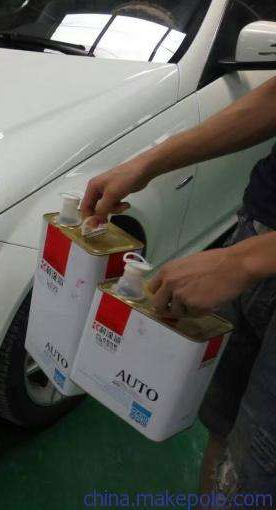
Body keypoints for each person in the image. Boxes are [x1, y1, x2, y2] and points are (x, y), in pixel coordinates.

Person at [81, 76, 276, 497]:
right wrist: (147, 164)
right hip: (258, 226)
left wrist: (245, 260)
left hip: (254, 257)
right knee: (223, 429)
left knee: (259, 467)